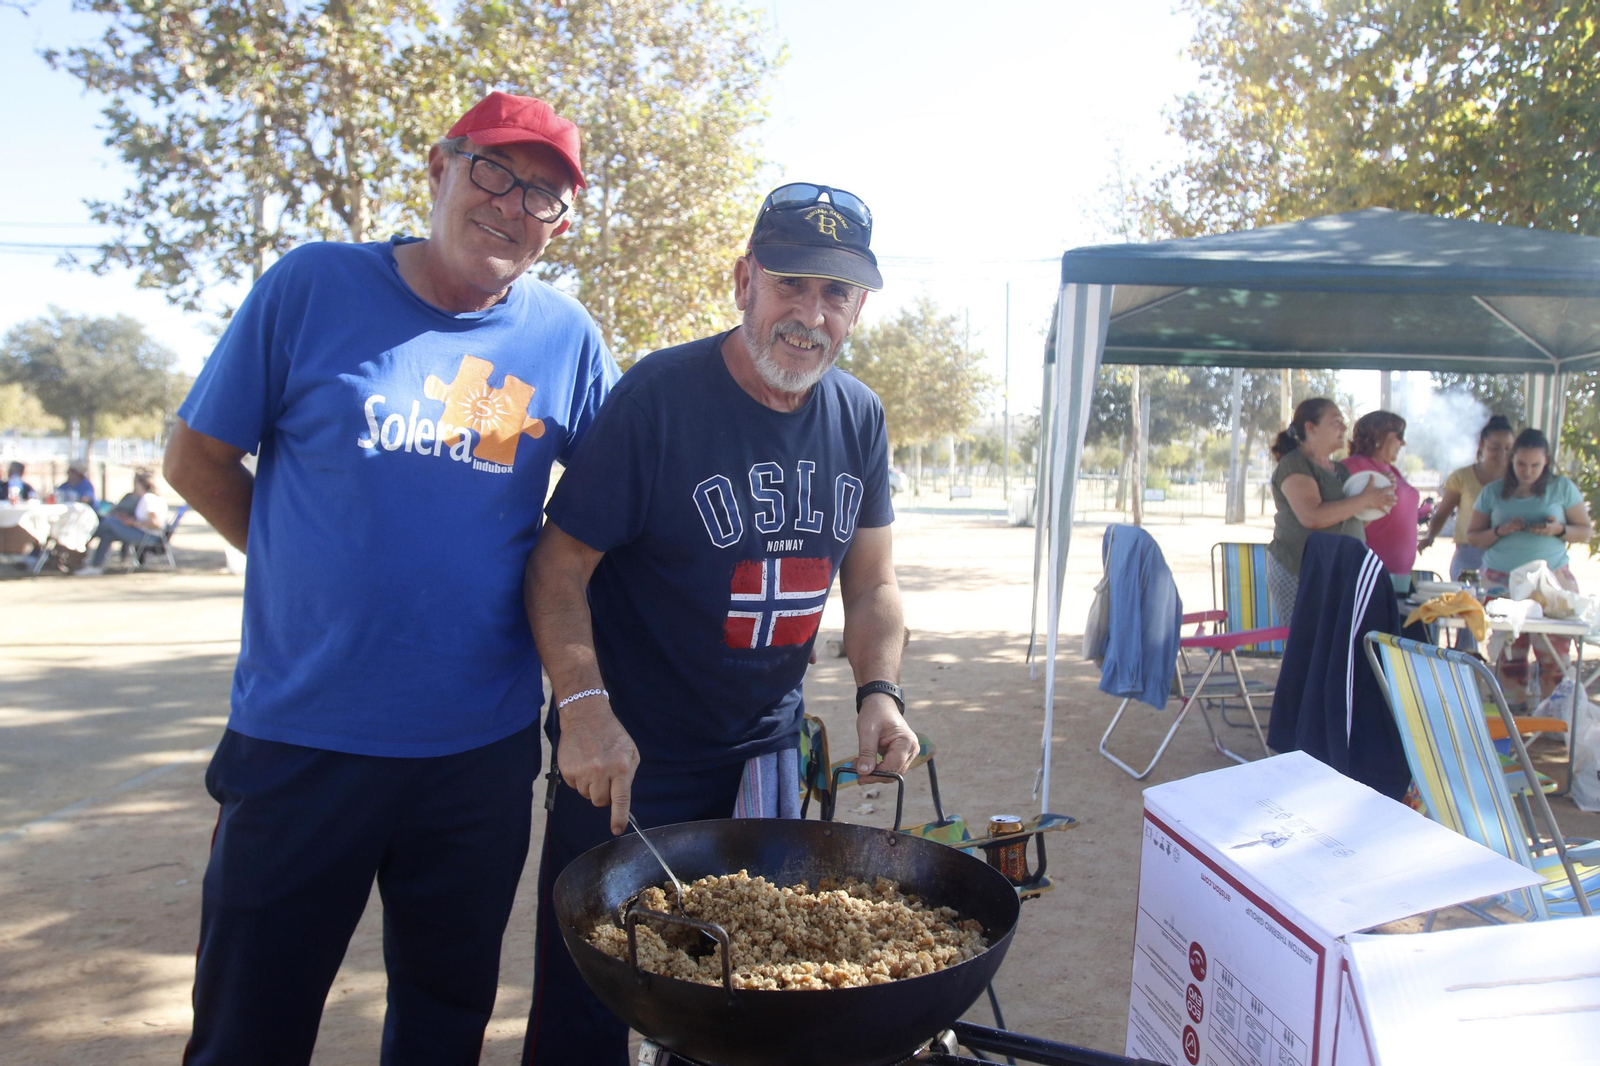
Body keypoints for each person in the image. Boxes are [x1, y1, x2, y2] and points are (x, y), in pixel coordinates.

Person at [161, 91, 618, 1066]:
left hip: (476, 755)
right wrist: (301, 568)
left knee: (445, 1021)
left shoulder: (563, 339)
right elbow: (195, 457)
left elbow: (613, 510)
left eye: (542, 193)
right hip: (300, 740)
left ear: (561, 225)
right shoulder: (312, 287)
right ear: (438, 169)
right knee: (247, 1028)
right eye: (492, 169)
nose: (510, 204)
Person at [521, 182, 919, 1065]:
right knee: (590, 995)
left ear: (857, 308)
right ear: (744, 280)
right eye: (790, 284)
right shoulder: (659, 397)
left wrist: (879, 693)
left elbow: (875, 581)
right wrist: (583, 709)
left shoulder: (860, 416)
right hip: (627, 761)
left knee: (742, 997)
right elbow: (558, 566)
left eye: (837, 294)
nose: (809, 315)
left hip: (762, 759)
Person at [1466, 428, 1594, 703]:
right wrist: (1500, 531)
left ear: (1546, 461)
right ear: (1511, 461)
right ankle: (1511, 717)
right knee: (1509, 652)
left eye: (1535, 465)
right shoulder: (1493, 492)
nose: (1527, 471)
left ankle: (1555, 720)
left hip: (1550, 582)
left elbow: (1584, 531)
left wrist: (1559, 530)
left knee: (1555, 652)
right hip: (1502, 581)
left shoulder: (1562, 488)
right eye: (1521, 464)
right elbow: (1473, 537)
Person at [1266, 398, 1395, 624]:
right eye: (1336, 422)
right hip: (1303, 572)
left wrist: (1377, 501)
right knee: (1307, 646)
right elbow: (1312, 517)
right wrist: (1365, 498)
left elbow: (1350, 520)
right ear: (1310, 427)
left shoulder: (1341, 470)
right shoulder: (1294, 464)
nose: (1344, 428)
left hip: (1340, 571)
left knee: (1335, 647)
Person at [1419, 415, 1515, 580]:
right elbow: (1442, 513)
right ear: (1481, 445)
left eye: (1508, 448)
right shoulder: (1462, 477)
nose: (1502, 454)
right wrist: (1430, 537)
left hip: (1509, 553)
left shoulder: (1519, 480)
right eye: (1495, 448)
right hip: (1469, 553)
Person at [1342, 410, 1421, 580]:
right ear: (1378, 435)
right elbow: (1343, 524)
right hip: (1366, 576)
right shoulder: (1352, 468)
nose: (1403, 442)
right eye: (1399, 435)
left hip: (1397, 576)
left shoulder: (1391, 470)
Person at [75, 469, 168, 575]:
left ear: (139, 484)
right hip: (145, 533)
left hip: (148, 536)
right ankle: (96, 566)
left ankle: (83, 537)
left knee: (109, 522)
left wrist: (134, 523)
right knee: (107, 534)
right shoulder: (152, 498)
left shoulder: (148, 499)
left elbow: (156, 523)